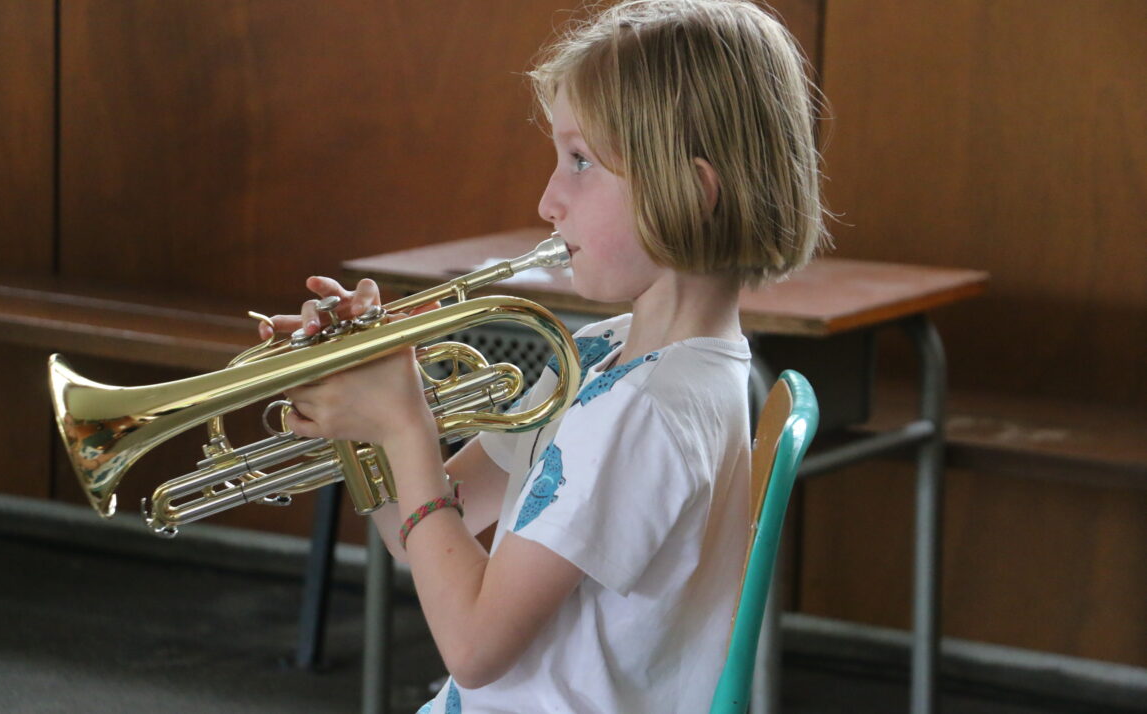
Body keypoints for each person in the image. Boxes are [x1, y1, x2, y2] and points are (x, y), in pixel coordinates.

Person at [263, 1, 827, 711]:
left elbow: (473, 650)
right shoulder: (604, 353)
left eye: (580, 161)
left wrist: (405, 427)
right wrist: (360, 416)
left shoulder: (644, 413)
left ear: (690, 190)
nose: (548, 200)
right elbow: (427, 533)